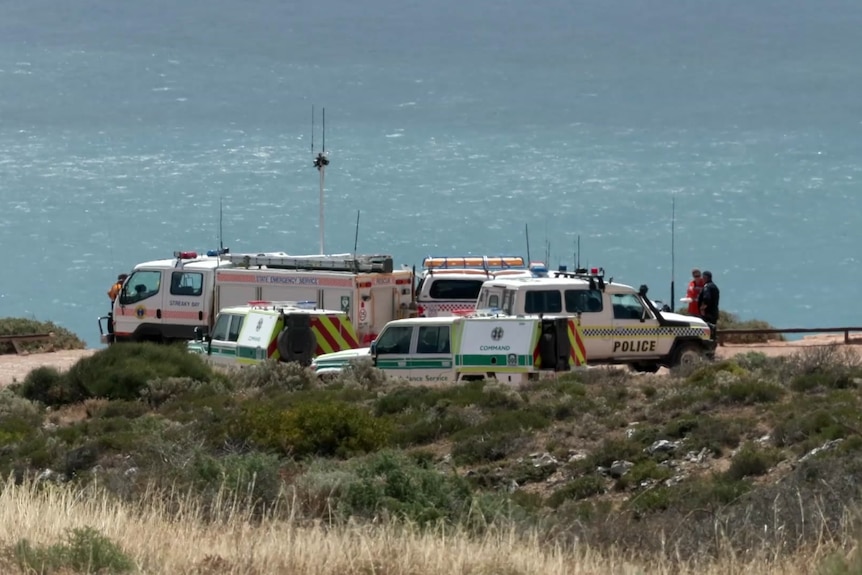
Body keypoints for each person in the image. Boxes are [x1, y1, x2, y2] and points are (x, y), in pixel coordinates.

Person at [697, 270, 720, 338]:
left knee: (707, 330)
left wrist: (702, 308)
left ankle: (707, 345)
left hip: (708, 313)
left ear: (705, 277)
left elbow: (706, 298)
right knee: (712, 329)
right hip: (714, 312)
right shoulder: (715, 287)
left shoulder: (707, 287)